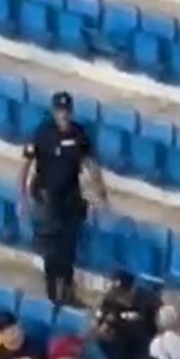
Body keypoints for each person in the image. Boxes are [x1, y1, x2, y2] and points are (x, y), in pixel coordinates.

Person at [18, 91, 106, 305]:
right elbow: (26, 165)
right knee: (52, 248)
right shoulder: (43, 133)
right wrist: (22, 197)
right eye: (59, 111)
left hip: (71, 197)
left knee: (68, 248)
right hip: (46, 197)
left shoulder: (79, 134)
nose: (63, 115)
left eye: (66, 111)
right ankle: (52, 291)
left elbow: (89, 164)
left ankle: (66, 290)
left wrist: (100, 191)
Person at [94, 270, 158, 359]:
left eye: (123, 293)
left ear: (132, 289)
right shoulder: (110, 300)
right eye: (117, 293)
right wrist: (103, 330)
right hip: (121, 349)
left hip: (143, 350)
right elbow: (101, 326)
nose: (120, 297)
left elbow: (162, 320)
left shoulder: (148, 300)